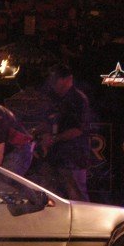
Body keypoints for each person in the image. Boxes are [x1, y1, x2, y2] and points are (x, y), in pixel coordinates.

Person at [38, 64, 92, 201]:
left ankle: (85, 221)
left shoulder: (78, 100)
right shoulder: (52, 98)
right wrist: (44, 135)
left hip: (73, 156)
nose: (52, 83)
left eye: (55, 79)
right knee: (50, 192)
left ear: (68, 79)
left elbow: (79, 129)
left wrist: (55, 138)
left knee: (76, 193)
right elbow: (46, 121)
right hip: (53, 155)